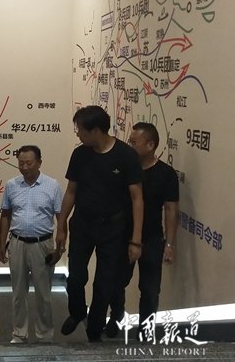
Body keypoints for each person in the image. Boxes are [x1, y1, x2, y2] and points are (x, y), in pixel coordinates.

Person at [55, 105, 144, 342]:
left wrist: (136, 240)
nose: (77, 133)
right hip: (82, 225)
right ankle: (77, 312)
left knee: (104, 283)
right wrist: (61, 225)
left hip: (113, 229)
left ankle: (94, 330)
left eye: (80, 130)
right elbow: (71, 192)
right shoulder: (80, 154)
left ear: (95, 130)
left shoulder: (126, 155)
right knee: (75, 278)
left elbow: (137, 198)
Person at [105, 122, 179, 338]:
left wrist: (169, 244)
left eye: (134, 142)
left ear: (150, 145)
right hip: (122, 235)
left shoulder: (166, 173)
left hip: (152, 238)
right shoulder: (124, 168)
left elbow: (171, 209)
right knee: (116, 282)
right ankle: (116, 316)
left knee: (150, 289)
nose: (129, 145)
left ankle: (146, 331)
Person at [0, 145, 63, 344]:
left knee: (43, 294)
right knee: (18, 293)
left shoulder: (52, 185)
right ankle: (19, 333)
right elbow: (5, 215)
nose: (24, 167)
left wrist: (60, 247)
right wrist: (2, 244)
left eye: (29, 163)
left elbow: (61, 219)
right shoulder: (12, 185)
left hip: (42, 244)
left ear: (39, 162)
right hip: (17, 242)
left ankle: (44, 335)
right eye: (21, 163)